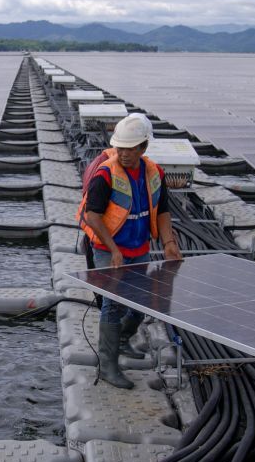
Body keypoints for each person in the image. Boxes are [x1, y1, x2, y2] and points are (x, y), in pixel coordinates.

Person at [77, 115, 182, 389]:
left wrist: (169, 243)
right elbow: (92, 216)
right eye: (120, 147)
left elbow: (163, 211)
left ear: (143, 147)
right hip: (107, 249)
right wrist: (113, 250)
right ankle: (108, 366)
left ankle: (123, 341)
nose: (123, 153)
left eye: (130, 148)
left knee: (139, 302)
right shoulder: (106, 175)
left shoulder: (154, 173)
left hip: (139, 248)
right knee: (112, 306)